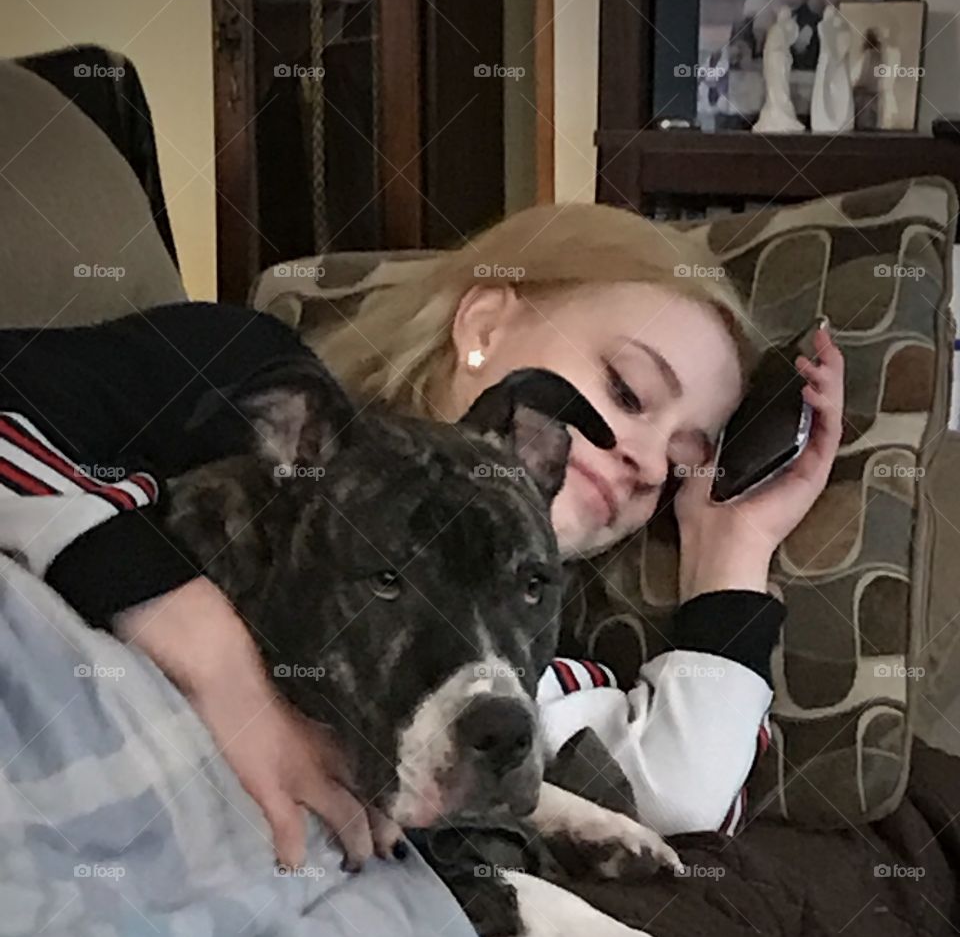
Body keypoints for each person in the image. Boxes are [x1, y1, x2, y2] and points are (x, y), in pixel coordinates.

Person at [0, 204, 844, 865]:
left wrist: (735, 548)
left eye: (684, 461)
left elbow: (680, 805)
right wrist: (207, 647)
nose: (646, 460)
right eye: (625, 391)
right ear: (485, 329)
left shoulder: (524, 658)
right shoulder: (248, 374)